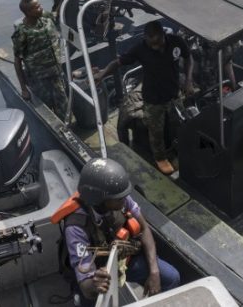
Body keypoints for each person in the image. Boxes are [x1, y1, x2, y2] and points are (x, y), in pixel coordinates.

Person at [53, 158, 180, 305]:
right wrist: (95, 285)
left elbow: (144, 229)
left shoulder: (119, 198)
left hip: (123, 260)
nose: (125, 199)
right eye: (119, 198)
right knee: (90, 298)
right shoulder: (76, 227)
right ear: (100, 200)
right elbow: (86, 285)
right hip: (97, 273)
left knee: (171, 278)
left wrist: (154, 272)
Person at [95, 21, 193, 175]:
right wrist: (102, 74)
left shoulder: (176, 42)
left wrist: (188, 80)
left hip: (174, 94)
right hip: (153, 98)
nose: (155, 46)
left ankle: (177, 146)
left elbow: (188, 57)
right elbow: (118, 62)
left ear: (163, 35)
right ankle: (160, 157)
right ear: (146, 38)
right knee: (156, 130)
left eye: (158, 42)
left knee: (178, 122)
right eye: (151, 43)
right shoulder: (140, 49)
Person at [12, 0, 68, 118]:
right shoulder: (22, 33)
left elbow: (56, 14)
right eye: (37, 7)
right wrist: (24, 89)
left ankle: (66, 130)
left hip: (56, 72)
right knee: (46, 110)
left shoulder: (45, 17)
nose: (41, 8)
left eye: (40, 5)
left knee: (63, 105)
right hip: (39, 79)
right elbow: (17, 61)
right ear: (28, 12)